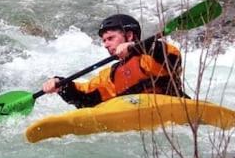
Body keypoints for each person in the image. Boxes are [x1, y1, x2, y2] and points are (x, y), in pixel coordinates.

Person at [41, 14, 185, 108]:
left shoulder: (152, 57)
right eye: (103, 40)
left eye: (110, 38)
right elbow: (86, 97)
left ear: (129, 36)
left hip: (171, 110)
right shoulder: (111, 74)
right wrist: (61, 85)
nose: (105, 44)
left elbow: (169, 55)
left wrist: (134, 47)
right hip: (134, 118)